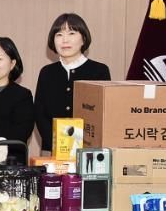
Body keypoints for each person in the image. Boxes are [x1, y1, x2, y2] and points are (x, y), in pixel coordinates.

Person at [34, 13, 111, 153]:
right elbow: (40, 113)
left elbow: (103, 115)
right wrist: (57, 143)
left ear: (83, 39)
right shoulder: (47, 72)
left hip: (89, 150)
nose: (65, 40)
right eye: (59, 35)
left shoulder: (99, 71)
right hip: (52, 149)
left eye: (71, 33)